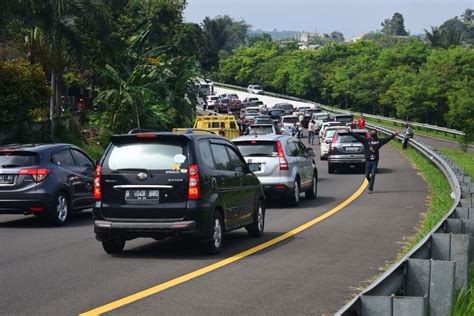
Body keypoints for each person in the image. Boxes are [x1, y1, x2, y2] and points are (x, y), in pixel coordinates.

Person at [349, 128, 399, 194]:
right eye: (371, 133)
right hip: (368, 161)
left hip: (375, 161)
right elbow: (358, 137)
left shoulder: (379, 141)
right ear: (369, 134)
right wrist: (351, 132)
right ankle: (371, 183)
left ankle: (370, 188)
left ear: (375, 134)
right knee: (367, 175)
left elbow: (387, 139)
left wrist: (394, 134)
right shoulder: (365, 140)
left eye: (373, 133)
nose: (372, 134)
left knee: (373, 174)